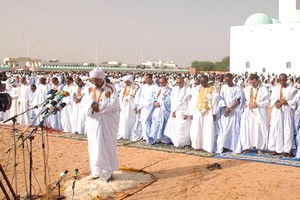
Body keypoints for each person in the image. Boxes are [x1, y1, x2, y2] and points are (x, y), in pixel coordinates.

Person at [83, 68, 120, 181]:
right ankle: (96, 171)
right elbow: (84, 102)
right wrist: (91, 105)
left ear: (101, 78)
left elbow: (114, 104)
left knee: (106, 145)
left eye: (96, 80)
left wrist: (99, 109)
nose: (94, 83)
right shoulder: (89, 88)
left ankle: (107, 173)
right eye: (92, 80)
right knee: (94, 145)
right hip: (94, 121)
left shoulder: (111, 88)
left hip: (107, 121)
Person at [268, 73, 298, 157]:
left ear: (286, 79)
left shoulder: (292, 89)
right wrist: (279, 102)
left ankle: (287, 151)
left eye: (284, 80)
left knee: (287, 130)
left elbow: (294, 101)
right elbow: (273, 99)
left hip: (287, 111)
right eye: (280, 80)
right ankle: (276, 149)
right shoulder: (275, 89)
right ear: (278, 80)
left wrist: (285, 102)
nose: (282, 81)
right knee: (275, 129)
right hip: (277, 111)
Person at [240, 74, 270, 154]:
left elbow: (267, 101)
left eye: (254, 82)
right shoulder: (246, 89)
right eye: (251, 82)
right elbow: (243, 100)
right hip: (249, 111)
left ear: (258, 81)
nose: (252, 84)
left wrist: (257, 104)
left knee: (258, 129)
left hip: (259, 112)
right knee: (248, 129)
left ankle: (259, 148)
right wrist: (249, 103)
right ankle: (247, 147)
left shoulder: (264, 90)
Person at [188, 75, 219, 153]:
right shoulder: (196, 89)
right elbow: (193, 101)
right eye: (201, 82)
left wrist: (214, 113)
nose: (203, 83)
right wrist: (191, 112)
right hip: (198, 111)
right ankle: (197, 146)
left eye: (204, 82)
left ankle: (207, 147)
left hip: (208, 112)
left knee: (208, 129)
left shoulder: (213, 89)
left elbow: (215, 102)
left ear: (207, 81)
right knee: (197, 129)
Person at [217, 73, 244, 154]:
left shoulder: (237, 88)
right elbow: (221, 99)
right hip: (225, 112)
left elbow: (238, 100)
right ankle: (224, 146)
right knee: (224, 129)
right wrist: (225, 108)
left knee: (233, 129)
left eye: (229, 81)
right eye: (226, 81)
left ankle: (233, 146)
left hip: (234, 112)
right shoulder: (223, 87)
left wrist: (230, 108)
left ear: (232, 79)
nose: (227, 82)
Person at [164, 76, 192, 147]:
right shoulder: (174, 89)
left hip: (184, 111)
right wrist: (173, 111)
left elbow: (190, 102)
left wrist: (187, 113)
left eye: (180, 82)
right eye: (177, 83)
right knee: (176, 128)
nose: (178, 84)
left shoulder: (188, 90)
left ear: (183, 82)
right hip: (175, 112)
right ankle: (177, 143)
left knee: (183, 129)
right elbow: (173, 101)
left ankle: (185, 144)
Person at [148, 76, 172, 145]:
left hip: (164, 110)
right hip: (156, 109)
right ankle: (156, 138)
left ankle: (165, 140)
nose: (161, 84)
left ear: (166, 82)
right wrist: (154, 102)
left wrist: (161, 104)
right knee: (155, 124)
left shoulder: (169, 90)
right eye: (160, 82)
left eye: (162, 82)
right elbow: (153, 98)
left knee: (163, 124)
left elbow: (169, 101)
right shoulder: (158, 89)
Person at [135, 74, 159, 142]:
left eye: (148, 78)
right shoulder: (144, 86)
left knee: (149, 122)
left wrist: (154, 102)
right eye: (145, 78)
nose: (146, 80)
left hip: (151, 107)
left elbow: (157, 97)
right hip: (143, 107)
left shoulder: (155, 87)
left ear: (151, 78)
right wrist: (138, 106)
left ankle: (150, 137)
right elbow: (141, 97)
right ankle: (145, 136)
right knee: (143, 121)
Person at [117, 75, 139, 140]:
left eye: (128, 82)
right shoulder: (123, 87)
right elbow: (121, 96)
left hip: (131, 106)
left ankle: (129, 134)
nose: (126, 83)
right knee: (123, 119)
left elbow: (137, 97)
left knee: (130, 120)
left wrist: (135, 105)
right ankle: (122, 134)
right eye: (125, 82)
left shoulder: (135, 87)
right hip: (123, 106)